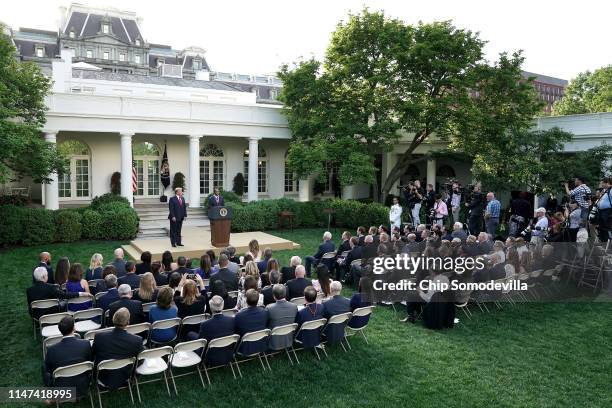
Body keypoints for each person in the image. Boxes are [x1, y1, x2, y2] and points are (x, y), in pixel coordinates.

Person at [93, 307, 144, 390]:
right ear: (128, 322)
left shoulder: (99, 337)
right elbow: (141, 359)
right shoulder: (136, 340)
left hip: (103, 377)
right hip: (125, 376)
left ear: (113, 319)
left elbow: (93, 354)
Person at [43, 316, 92, 396]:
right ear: (74, 328)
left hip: (61, 387)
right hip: (83, 384)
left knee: (44, 367)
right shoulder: (85, 344)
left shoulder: (52, 350)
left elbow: (49, 370)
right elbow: (90, 361)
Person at [234, 289, 269, 355]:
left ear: (246, 300)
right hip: (261, 345)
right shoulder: (265, 312)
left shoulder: (239, 315)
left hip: (245, 348)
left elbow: (236, 331)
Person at [266, 284, 298, 350]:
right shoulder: (294, 306)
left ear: (274, 296)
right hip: (288, 340)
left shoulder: (269, 308)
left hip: (273, 342)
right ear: (285, 294)